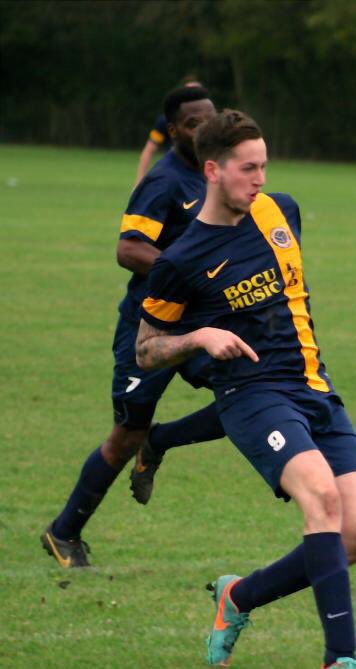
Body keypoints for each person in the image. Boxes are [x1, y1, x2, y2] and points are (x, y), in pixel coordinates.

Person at [135, 109, 356, 669]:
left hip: (316, 389)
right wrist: (199, 337)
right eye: (249, 169)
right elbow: (147, 349)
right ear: (214, 170)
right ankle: (340, 662)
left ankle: (238, 595)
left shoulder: (282, 211)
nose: (260, 179)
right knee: (321, 500)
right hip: (252, 396)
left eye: (265, 166)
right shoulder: (181, 260)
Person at [41, 86, 226, 568]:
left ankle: (159, 441)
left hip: (203, 324)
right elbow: (128, 249)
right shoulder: (163, 181)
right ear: (172, 130)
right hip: (151, 329)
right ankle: (64, 533)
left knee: (249, 395)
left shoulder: (217, 173)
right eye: (192, 123)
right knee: (125, 435)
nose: (203, 129)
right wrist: (183, 270)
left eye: (210, 119)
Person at [135, 77, 203, 186]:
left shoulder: (212, 122)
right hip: (176, 177)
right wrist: (139, 182)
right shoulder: (165, 121)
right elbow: (148, 151)